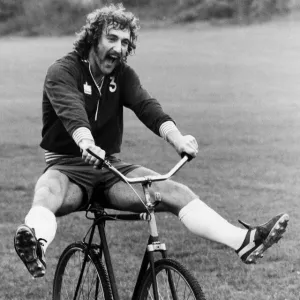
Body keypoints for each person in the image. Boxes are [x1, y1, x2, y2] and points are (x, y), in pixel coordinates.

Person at [14, 3, 289, 278]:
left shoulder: (121, 74)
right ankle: (35, 245)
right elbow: (72, 111)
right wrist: (86, 143)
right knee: (47, 192)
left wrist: (177, 139)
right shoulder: (63, 71)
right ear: (93, 37)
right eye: (111, 39)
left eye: (125, 42)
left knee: (176, 192)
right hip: (67, 167)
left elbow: (147, 106)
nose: (119, 48)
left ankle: (243, 242)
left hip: (109, 168)